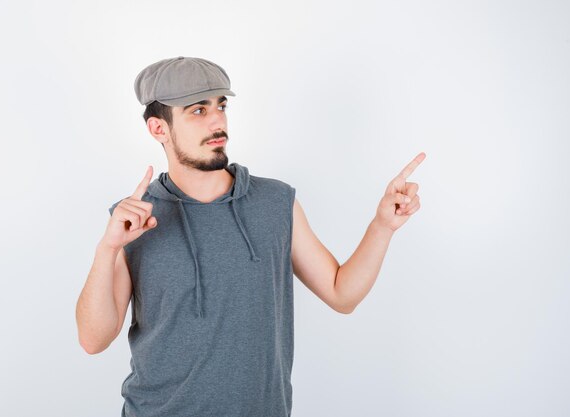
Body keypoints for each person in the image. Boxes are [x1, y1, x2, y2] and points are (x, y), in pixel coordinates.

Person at [75, 56, 425, 417]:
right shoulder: (134, 219)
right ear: (159, 129)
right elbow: (93, 340)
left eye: (221, 106)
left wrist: (382, 226)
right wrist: (108, 249)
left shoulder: (275, 203)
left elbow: (342, 294)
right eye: (198, 110)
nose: (217, 121)